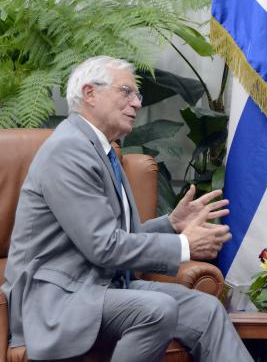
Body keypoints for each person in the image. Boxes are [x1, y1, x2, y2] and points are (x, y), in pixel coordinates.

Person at [2, 56, 253, 362]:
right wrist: (184, 245)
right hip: (57, 301)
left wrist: (171, 224)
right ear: (90, 93)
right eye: (126, 92)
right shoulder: (68, 150)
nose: (136, 103)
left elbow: (117, 237)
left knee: (205, 309)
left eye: (138, 96)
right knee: (156, 311)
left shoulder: (103, 150)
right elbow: (104, 247)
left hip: (99, 289)